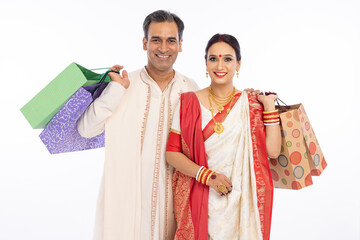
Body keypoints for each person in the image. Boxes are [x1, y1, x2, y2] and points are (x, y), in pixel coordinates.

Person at [77, 10, 198, 240]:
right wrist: (114, 92)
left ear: (180, 45)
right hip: (127, 206)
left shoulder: (191, 89)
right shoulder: (124, 84)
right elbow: (86, 130)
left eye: (171, 40)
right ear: (145, 43)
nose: (164, 48)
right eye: (156, 40)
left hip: (174, 207)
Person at [166, 33, 281, 240]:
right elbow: (172, 153)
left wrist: (269, 106)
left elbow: (272, 151)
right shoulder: (187, 103)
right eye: (213, 58)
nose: (220, 65)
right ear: (206, 64)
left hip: (242, 206)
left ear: (238, 64)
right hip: (202, 199)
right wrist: (209, 177)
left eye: (227, 59)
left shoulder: (251, 105)